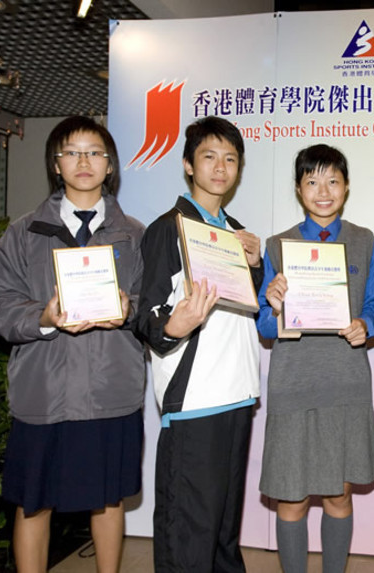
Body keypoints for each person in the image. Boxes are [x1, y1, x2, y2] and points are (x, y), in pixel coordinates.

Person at [0, 116, 144, 573]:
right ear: (56, 164)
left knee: (107, 499)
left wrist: (129, 309)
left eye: (95, 152)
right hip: (43, 392)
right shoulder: (24, 232)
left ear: (110, 166)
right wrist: (43, 318)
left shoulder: (133, 234)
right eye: (72, 152)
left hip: (110, 391)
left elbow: (154, 306)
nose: (84, 161)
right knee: (34, 502)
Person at [136, 116, 263, 572]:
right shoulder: (167, 229)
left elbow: (250, 311)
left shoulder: (236, 231)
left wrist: (257, 266)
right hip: (195, 399)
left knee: (224, 531)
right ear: (189, 165)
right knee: (188, 530)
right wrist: (175, 324)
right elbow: (146, 316)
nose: (220, 167)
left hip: (238, 393)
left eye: (231, 159)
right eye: (209, 156)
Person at [257, 143, 374, 573]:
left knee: (338, 493)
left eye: (332, 180)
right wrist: (275, 308)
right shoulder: (278, 246)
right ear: (298, 189)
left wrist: (365, 325)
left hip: (345, 383)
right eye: (312, 181)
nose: (323, 190)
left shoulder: (366, 242)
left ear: (346, 187)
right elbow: (263, 326)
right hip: (293, 384)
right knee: (291, 497)